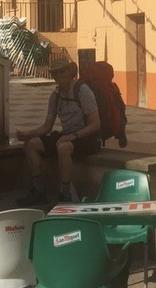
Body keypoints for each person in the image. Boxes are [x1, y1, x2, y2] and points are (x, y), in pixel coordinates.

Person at [16, 57, 101, 205]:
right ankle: (39, 190)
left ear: (70, 72)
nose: (59, 75)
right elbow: (47, 126)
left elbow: (95, 124)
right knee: (32, 144)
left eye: (62, 71)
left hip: (87, 138)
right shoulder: (55, 96)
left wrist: (73, 136)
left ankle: (65, 194)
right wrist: (27, 134)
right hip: (68, 135)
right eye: (55, 73)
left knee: (63, 146)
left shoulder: (82, 91)